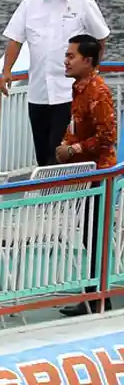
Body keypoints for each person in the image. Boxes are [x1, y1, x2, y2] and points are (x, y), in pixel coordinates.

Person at [0, 0, 111, 167]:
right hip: (38, 92)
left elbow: (100, 37)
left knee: (62, 154)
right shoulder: (29, 3)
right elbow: (15, 39)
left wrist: (91, 72)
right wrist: (6, 71)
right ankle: (50, 187)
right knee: (43, 155)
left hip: (70, 92)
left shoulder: (82, 1)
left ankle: (69, 188)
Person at [56, 34, 117, 317]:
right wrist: (66, 144)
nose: (66, 61)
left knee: (95, 235)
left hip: (100, 172)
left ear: (88, 60)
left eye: (71, 56)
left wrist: (74, 149)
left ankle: (99, 296)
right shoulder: (79, 89)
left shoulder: (98, 92)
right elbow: (77, 124)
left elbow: (108, 136)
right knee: (89, 234)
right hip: (86, 171)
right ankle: (95, 294)